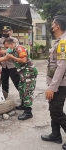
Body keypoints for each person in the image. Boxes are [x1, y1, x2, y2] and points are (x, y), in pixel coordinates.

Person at [0, 38, 38, 120]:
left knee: (27, 91)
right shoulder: (11, 51)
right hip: (23, 73)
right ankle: (23, 105)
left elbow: (23, 60)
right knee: (21, 88)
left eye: (7, 47)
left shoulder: (20, 48)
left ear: (11, 43)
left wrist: (12, 57)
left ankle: (28, 112)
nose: (6, 49)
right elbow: (4, 58)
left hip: (29, 72)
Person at [40, 15, 66, 150]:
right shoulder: (59, 41)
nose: (51, 27)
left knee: (56, 112)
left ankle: (57, 134)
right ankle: (55, 134)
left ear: (58, 27)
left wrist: (52, 87)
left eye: (52, 24)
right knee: (53, 109)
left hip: (60, 85)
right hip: (56, 83)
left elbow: (61, 67)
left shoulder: (63, 42)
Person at [0, 26, 20, 98]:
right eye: (4, 31)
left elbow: (16, 49)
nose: (5, 33)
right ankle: (5, 96)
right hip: (4, 65)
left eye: (7, 31)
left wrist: (6, 51)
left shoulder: (14, 40)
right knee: (4, 82)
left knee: (16, 82)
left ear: (10, 31)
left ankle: (23, 97)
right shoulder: (0, 40)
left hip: (12, 65)